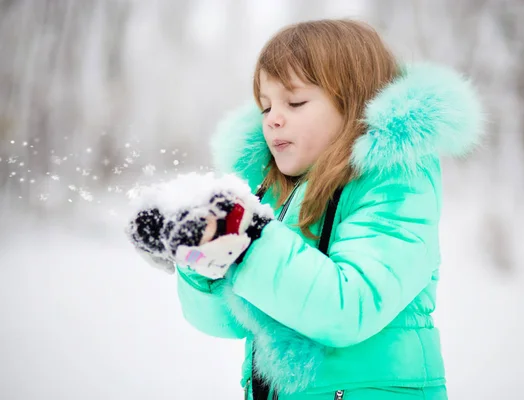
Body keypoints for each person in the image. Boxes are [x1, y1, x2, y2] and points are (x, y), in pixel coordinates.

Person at [137, 18, 484, 400]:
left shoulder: (397, 177)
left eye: (295, 102)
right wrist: (198, 255)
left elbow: (351, 307)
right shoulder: (275, 190)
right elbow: (226, 321)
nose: (273, 119)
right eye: (266, 106)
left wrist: (249, 239)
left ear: (354, 101)